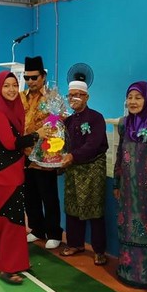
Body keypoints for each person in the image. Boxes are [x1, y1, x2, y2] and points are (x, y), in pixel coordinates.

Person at [0, 71, 46, 285]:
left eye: (14, 85)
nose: (11, 89)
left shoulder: (12, 109)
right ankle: (6, 267)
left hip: (12, 172)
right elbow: (11, 143)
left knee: (16, 220)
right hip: (2, 175)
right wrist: (38, 134)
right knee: (9, 220)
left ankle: (16, 261)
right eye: (6, 85)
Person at [113, 81, 147, 287]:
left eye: (138, 97)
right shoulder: (124, 124)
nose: (133, 102)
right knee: (127, 227)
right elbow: (120, 154)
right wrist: (116, 183)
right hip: (127, 190)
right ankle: (126, 272)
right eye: (130, 98)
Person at [59, 80, 109, 265]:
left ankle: (99, 250)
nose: (74, 98)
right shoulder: (68, 121)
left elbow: (93, 145)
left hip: (93, 169)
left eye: (78, 95)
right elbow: (62, 144)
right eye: (71, 95)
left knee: (95, 210)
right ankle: (75, 244)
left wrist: (72, 156)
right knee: (71, 207)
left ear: (87, 97)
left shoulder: (96, 118)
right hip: (73, 169)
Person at [20, 55, 63, 250]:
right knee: (29, 195)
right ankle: (37, 229)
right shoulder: (20, 97)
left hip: (45, 155)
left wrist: (47, 128)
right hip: (24, 153)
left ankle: (54, 232)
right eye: (27, 77)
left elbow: (58, 121)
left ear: (43, 76)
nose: (30, 81)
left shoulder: (52, 97)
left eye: (34, 77)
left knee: (49, 195)